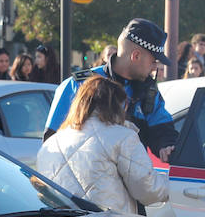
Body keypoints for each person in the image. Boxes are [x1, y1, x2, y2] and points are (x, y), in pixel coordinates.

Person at [43, 18, 177, 160]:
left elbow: (162, 129)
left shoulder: (149, 91)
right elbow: (51, 145)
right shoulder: (78, 85)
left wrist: (167, 145)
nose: (155, 67)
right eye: (153, 60)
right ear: (135, 56)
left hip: (131, 179)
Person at [37, 75, 170, 215]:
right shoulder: (123, 137)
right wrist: (173, 185)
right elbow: (148, 189)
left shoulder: (51, 143)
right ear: (119, 106)